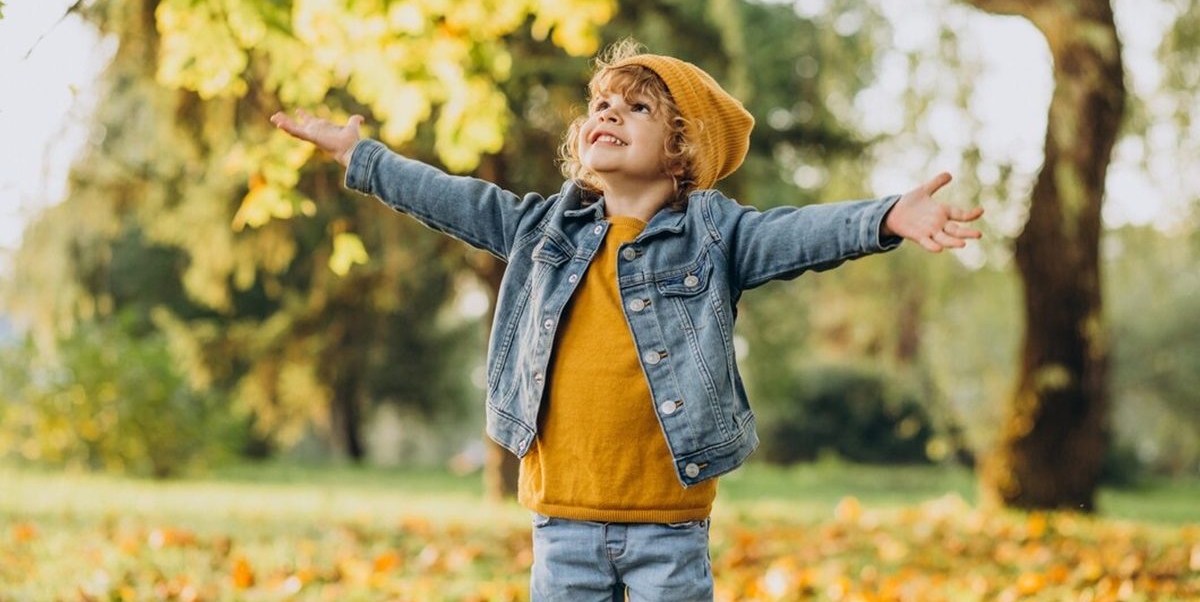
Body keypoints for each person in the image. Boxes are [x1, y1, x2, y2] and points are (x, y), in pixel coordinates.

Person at [270, 38, 983, 602]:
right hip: (562, 522)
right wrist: (358, 155)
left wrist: (886, 215)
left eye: (637, 109)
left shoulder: (713, 235)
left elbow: (797, 234)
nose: (606, 114)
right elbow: (450, 198)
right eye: (601, 105)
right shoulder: (541, 230)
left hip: (669, 529)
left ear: (684, 150)